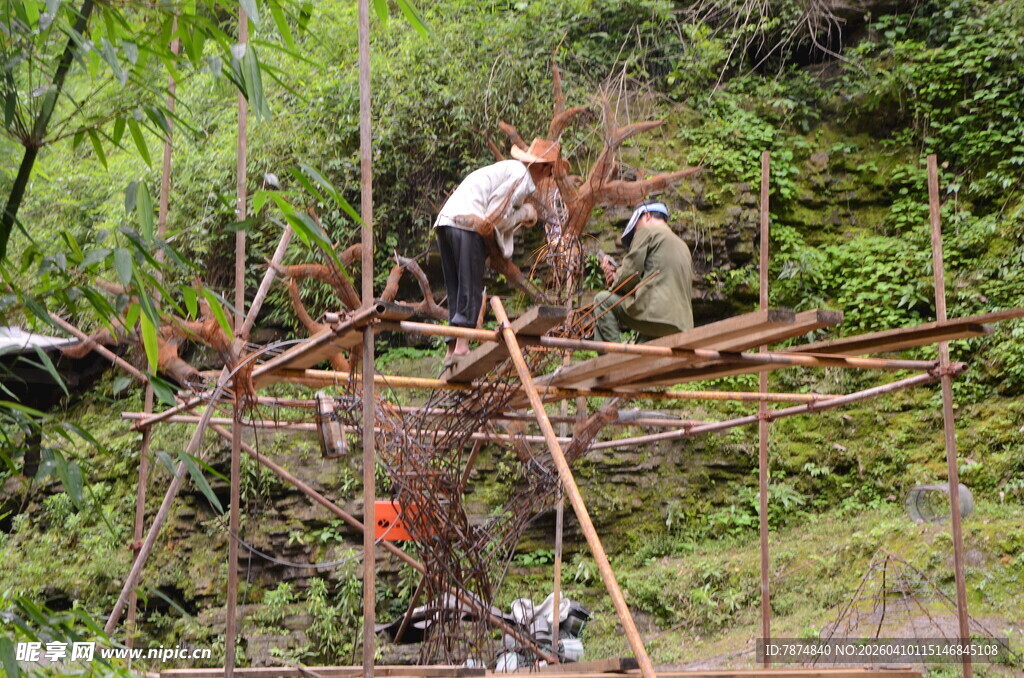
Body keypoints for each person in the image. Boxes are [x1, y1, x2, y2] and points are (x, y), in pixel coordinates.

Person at [434, 138, 562, 359]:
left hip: (446, 222)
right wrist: (525, 214)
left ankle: (451, 349)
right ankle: (462, 347)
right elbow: (495, 217)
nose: (546, 178)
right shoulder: (521, 176)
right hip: (469, 223)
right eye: (549, 173)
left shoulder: (507, 169)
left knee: (456, 288)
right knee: (470, 286)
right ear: (542, 166)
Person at [592, 201, 693, 343]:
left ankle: (614, 358)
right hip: (682, 323)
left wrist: (615, 280)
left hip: (656, 315)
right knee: (640, 348)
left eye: (635, 229)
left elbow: (630, 272)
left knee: (602, 300)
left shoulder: (647, 230)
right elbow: (658, 281)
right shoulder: (682, 246)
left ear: (646, 216)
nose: (635, 233)